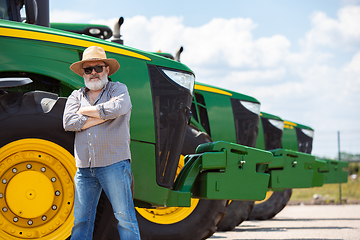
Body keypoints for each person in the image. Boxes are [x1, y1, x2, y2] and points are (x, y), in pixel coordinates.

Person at [63, 46, 141, 240]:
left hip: (114, 164)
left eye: (98, 68)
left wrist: (84, 112)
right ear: (83, 73)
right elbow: (68, 122)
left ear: (106, 69)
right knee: (81, 220)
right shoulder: (76, 95)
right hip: (84, 168)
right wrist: (104, 115)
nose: (93, 73)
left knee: (124, 218)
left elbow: (119, 107)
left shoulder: (118, 89)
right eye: (88, 70)